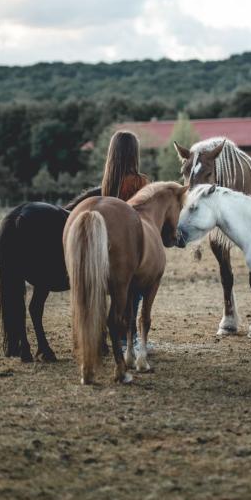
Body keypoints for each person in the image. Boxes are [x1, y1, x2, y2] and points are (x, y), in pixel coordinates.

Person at [101, 130, 149, 347]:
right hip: (131, 244)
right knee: (136, 290)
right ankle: (129, 337)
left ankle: (112, 335)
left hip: (107, 241)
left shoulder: (107, 183)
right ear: (133, 154)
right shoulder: (139, 182)